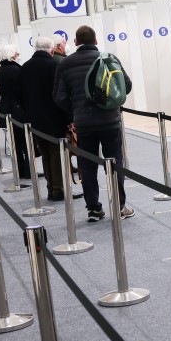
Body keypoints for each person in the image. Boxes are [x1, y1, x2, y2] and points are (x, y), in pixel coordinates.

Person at [53, 25, 132, 221]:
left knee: (87, 166)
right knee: (114, 162)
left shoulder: (65, 64)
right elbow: (126, 86)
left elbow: (59, 97)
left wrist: (74, 112)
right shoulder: (109, 59)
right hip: (110, 121)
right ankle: (120, 206)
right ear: (96, 41)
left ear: (75, 42)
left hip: (83, 124)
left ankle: (94, 209)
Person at [17, 37, 68, 199]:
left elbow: (19, 96)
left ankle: (51, 188)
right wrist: (68, 118)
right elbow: (61, 95)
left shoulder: (25, 67)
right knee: (56, 154)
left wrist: (30, 110)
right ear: (51, 49)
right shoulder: (54, 65)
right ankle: (59, 190)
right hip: (54, 118)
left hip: (35, 119)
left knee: (45, 154)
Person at [0, 44, 30, 180]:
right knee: (24, 142)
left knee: (15, 142)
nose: (18, 56)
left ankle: (21, 170)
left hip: (6, 107)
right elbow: (22, 90)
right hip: (18, 109)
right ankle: (27, 170)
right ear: (11, 55)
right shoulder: (15, 69)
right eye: (16, 54)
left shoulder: (1, 69)